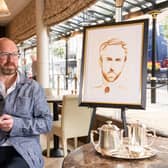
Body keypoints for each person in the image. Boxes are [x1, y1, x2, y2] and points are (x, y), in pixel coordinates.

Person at [0, 37, 52, 168]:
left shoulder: (33, 87)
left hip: (23, 150)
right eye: (4, 54)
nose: (10, 60)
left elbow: (46, 123)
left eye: (14, 55)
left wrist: (15, 124)